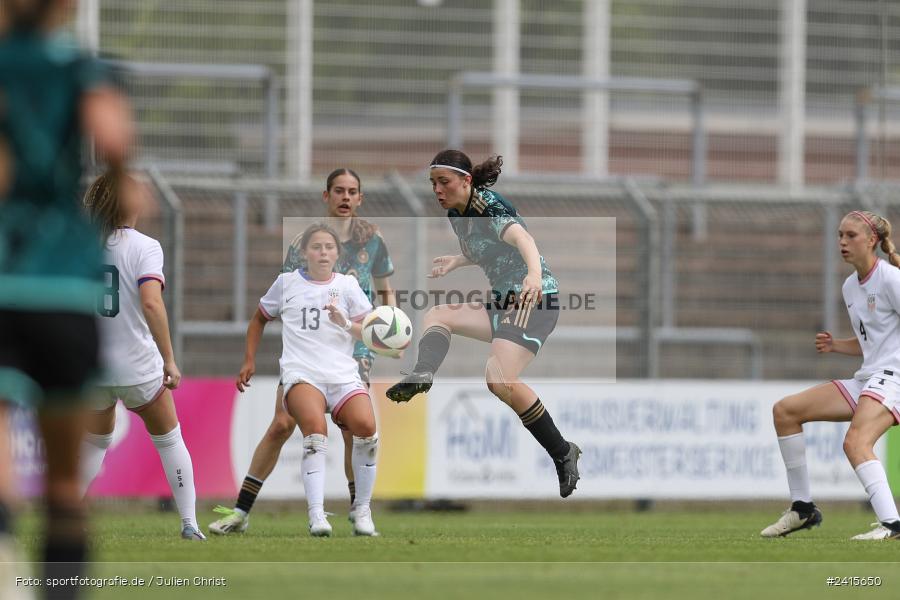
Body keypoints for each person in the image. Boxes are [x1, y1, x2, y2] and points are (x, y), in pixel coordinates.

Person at [0, 0, 133, 595]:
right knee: (62, 484)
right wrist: (124, 177)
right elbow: (112, 137)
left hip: (6, 277)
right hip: (66, 287)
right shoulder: (85, 69)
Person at [209, 168, 396, 535]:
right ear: (326, 196)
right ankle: (241, 511)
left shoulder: (373, 239)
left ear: (360, 198)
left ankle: (359, 511)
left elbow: (385, 292)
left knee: (352, 428)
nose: (345, 197)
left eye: (352, 191)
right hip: (308, 351)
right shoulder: (302, 242)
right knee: (282, 423)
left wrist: (390, 330)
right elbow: (289, 297)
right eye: (338, 191)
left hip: (355, 342)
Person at [386, 149, 581, 498]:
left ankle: (563, 452)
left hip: (531, 298)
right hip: (503, 300)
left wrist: (534, 277)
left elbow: (523, 238)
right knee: (437, 315)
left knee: (499, 378)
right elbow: (488, 247)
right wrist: (457, 262)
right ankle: (422, 374)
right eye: (433, 183)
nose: (437, 190)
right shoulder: (456, 212)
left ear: (466, 180)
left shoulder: (488, 205)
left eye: (444, 182)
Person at [80, 171, 204, 540]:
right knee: (169, 439)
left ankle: (64, 517)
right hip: (138, 366)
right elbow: (151, 302)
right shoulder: (145, 246)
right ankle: (189, 524)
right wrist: (169, 357)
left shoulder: (82, 244)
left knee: (96, 441)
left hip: (95, 366)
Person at [761, 210, 900, 540]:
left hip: (895, 377)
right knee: (785, 411)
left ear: (872, 241)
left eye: (851, 236)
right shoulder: (851, 287)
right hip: (870, 377)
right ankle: (803, 509)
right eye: (840, 235)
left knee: (856, 442)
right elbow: (875, 341)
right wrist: (838, 345)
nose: (842, 241)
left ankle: (893, 526)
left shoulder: (891, 279)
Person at [233, 223, 378, 537]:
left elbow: (370, 331)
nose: (323, 252)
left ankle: (363, 513)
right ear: (304, 253)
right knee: (316, 432)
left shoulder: (349, 286)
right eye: (316, 247)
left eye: (329, 247)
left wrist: (345, 323)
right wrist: (249, 359)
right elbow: (259, 318)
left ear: (337, 254)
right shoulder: (286, 283)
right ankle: (316, 516)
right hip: (302, 375)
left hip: (342, 376)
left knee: (367, 430)